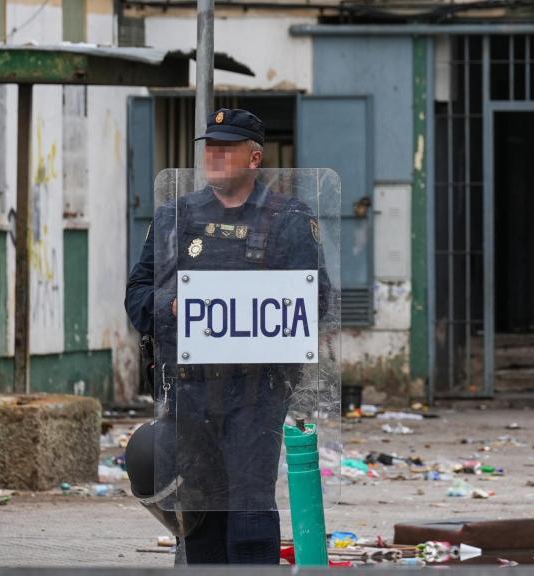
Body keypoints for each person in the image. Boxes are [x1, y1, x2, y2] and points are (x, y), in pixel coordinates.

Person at [125, 108, 328, 564]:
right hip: (189, 388)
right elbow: (137, 294)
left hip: (257, 390)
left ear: (254, 159)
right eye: (210, 147)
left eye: (226, 148)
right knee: (199, 512)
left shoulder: (288, 218)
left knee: (249, 510)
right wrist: (171, 305)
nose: (214, 155)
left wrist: (258, 303)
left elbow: (316, 301)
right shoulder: (176, 216)